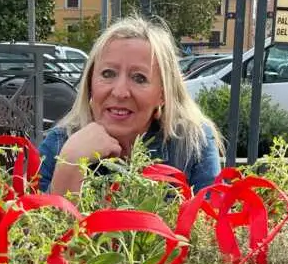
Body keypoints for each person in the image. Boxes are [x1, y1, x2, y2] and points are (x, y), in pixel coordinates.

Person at [38, 16, 223, 195]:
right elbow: (32, 216)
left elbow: (212, 214)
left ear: (162, 94)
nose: (120, 92)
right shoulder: (58, 144)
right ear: (90, 83)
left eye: (139, 78)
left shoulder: (192, 145)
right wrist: (71, 163)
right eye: (108, 74)